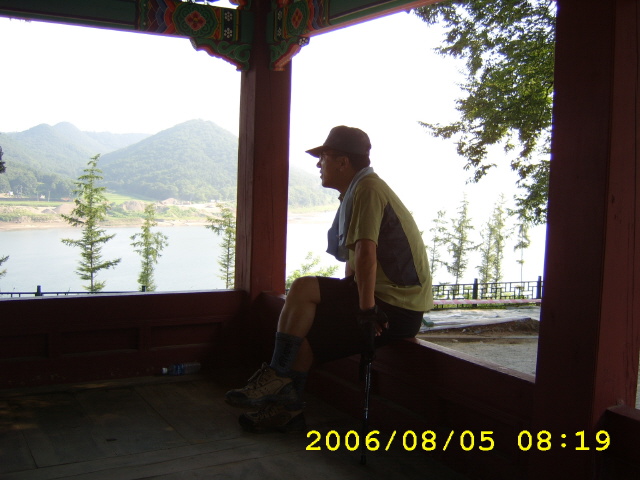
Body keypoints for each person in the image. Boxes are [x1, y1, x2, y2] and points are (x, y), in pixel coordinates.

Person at [225, 125, 433, 432]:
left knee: (302, 286)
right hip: (383, 299)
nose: (318, 164)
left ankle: (276, 376)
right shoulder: (356, 190)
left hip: (395, 308)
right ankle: (288, 411)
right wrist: (344, 300)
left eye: (323, 157)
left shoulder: (368, 189)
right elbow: (353, 262)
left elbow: (366, 253)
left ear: (343, 162)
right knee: (305, 335)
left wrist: (366, 310)